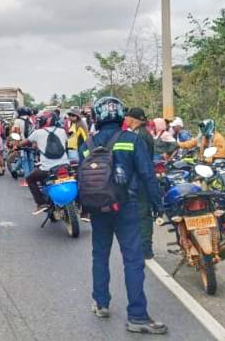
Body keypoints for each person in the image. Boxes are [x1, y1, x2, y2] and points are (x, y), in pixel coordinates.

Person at [81, 97, 166, 334]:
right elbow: (148, 174)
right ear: (121, 116)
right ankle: (137, 316)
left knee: (100, 255)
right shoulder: (132, 140)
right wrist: (156, 203)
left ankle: (101, 303)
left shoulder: (87, 143)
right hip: (126, 207)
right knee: (133, 260)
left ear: (97, 116)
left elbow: (83, 177)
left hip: (99, 208)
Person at [123, 107, 156, 260]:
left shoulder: (141, 136)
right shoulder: (140, 133)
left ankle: (146, 248)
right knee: (140, 213)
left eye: (127, 118)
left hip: (142, 180)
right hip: (141, 179)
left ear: (133, 119)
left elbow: (140, 161)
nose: (125, 120)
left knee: (143, 214)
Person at [22, 111, 69, 214]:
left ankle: (41, 203)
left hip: (47, 169)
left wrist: (17, 145)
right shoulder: (62, 131)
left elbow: (25, 142)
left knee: (30, 178)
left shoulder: (37, 133)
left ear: (45, 120)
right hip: (65, 166)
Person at [12, 107, 33, 187]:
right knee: (30, 161)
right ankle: (15, 170)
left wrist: (16, 145)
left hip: (22, 143)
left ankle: (28, 181)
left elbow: (17, 134)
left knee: (25, 162)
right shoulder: (30, 120)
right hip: (30, 142)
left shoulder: (17, 121)